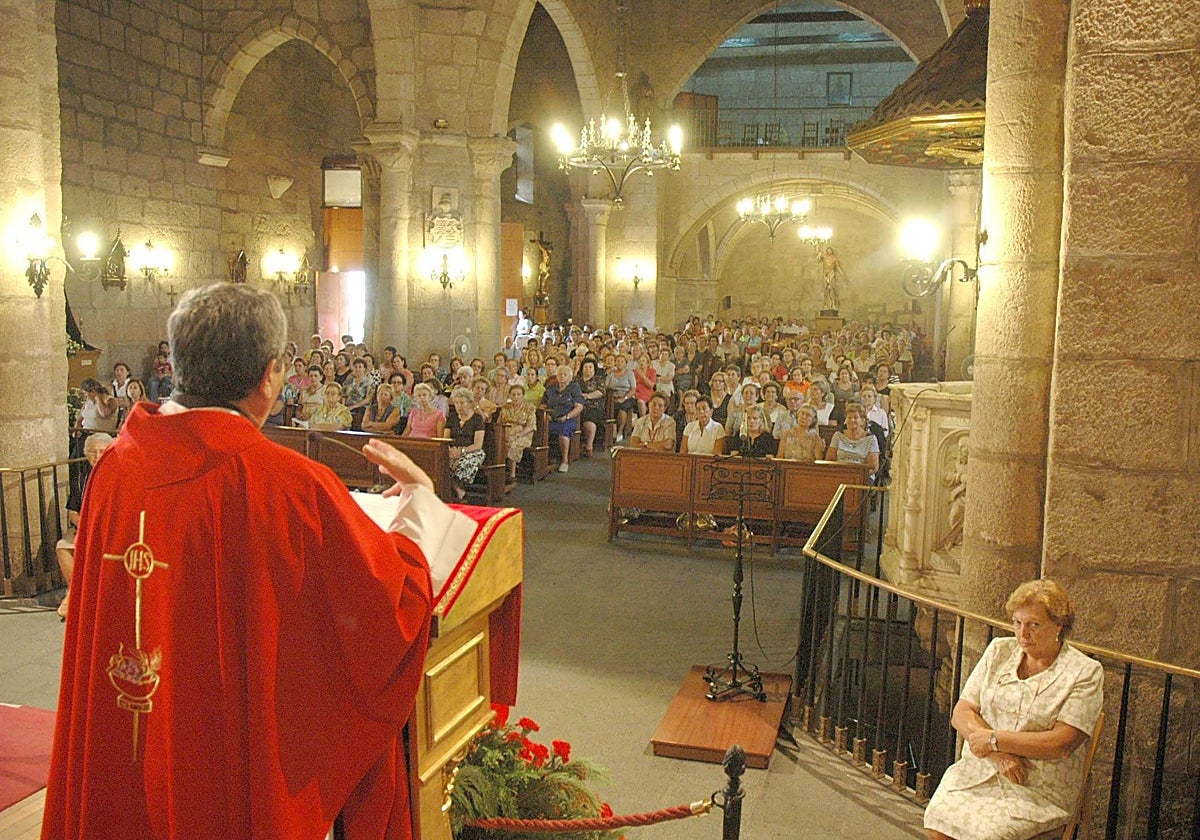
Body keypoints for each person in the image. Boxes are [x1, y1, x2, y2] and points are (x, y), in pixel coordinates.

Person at [43, 283, 437, 840]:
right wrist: (420, 504)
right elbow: (390, 604)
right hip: (219, 758)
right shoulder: (286, 482)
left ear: (178, 364)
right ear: (270, 374)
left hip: (131, 738)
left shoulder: (115, 468)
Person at [924, 580, 1103, 840]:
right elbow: (962, 712)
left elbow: (1061, 743)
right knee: (937, 823)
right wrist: (998, 754)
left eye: (1034, 625)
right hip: (981, 769)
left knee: (989, 836)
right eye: (1017, 623)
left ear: (1059, 625)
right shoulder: (999, 650)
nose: (1023, 634)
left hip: (1035, 786)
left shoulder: (1083, 672)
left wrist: (995, 740)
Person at [54, 432, 114, 620]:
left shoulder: (118, 475)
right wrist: (86, 526)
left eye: (101, 451)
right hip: (85, 528)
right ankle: (76, 593)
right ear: (86, 454)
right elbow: (73, 512)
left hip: (109, 530)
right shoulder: (81, 478)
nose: (96, 456)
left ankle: (74, 598)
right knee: (62, 547)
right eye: (92, 451)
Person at [446, 386, 486, 499]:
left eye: (462, 403)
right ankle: (455, 489)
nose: (459, 406)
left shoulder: (477, 419)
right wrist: (449, 449)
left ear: (469, 403)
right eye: (457, 403)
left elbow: (478, 444)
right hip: (453, 450)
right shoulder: (452, 417)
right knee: (441, 462)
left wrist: (462, 451)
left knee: (461, 464)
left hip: (472, 450)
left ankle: (457, 489)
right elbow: (445, 439)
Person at [542, 364, 583, 473]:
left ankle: (565, 460)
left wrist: (567, 416)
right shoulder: (551, 389)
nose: (562, 376)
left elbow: (579, 407)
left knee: (563, 432)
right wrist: (547, 415)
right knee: (540, 430)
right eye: (560, 374)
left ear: (570, 377)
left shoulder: (574, 388)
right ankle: (543, 460)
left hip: (567, 419)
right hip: (551, 418)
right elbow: (543, 405)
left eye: (565, 374)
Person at [825, 402, 880, 475]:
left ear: (863, 421)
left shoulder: (871, 439)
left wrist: (858, 476)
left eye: (855, 417)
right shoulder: (838, 435)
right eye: (849, 417)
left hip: (862, 476)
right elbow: (829, 460)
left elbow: (874, 467)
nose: (852, 420)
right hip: (839, 474)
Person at [499, 382, 537, 479]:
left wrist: (517, 435)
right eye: (513, 394)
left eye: (518, 394)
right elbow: (499, 422)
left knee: (513, 444)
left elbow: (530, 426)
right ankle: (498, 471)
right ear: (510, 395)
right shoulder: (505, 407)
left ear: (523, 395)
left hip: (523, 434)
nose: (516, 397)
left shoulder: (529, 408)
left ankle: (512, 474)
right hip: (505, 432)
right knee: (497, 443)